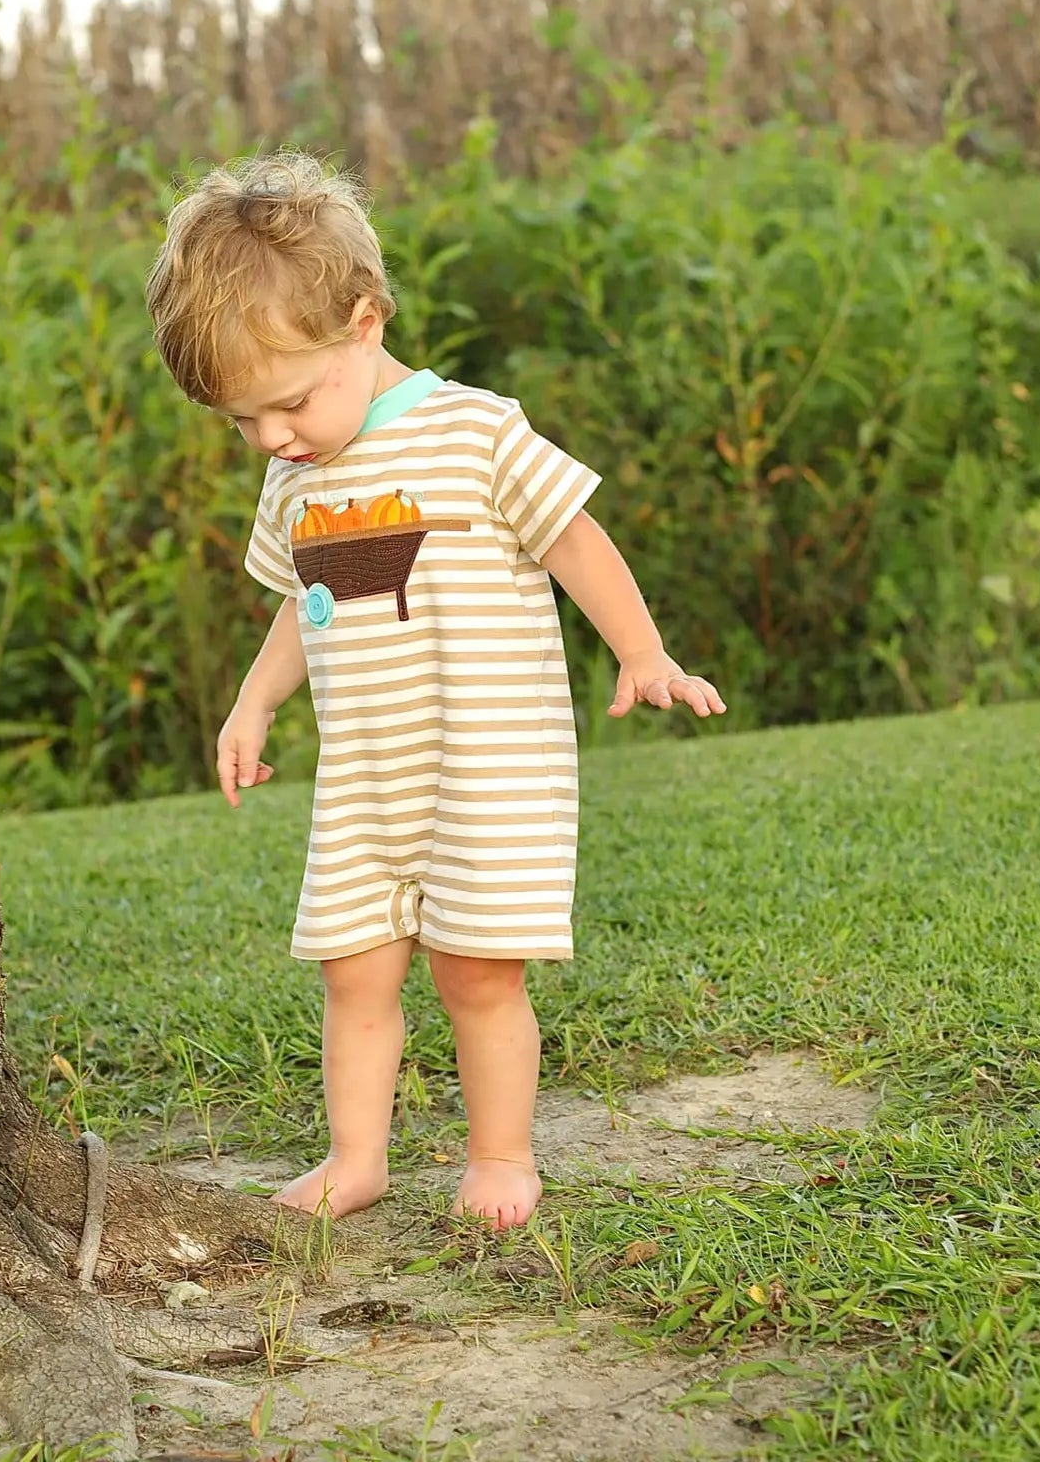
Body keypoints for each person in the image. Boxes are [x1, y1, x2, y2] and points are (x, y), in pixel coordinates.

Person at [144, 151, 725, 1229]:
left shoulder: (474, 430)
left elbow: (575, 539)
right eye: (242, 423)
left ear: (363, 321)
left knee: (476, 976)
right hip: (367, 780)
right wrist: (254, 701)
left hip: (485, 768)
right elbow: (300, 600)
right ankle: (356, 1157)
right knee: (354, 975)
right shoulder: (295, 475)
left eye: (287, 404)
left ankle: (502, 1156)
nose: (271, 438)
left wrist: (641, 653)